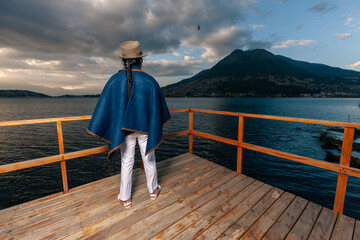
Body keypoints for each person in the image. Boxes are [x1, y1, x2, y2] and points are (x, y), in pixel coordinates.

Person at [87, 41, 171, 209]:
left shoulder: (114, 80)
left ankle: (125, 199)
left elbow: (105, 107)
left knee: (126, 161)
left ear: (124, 61)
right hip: (146, 128)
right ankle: (153, 190)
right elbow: (157, 108)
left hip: (124, 130)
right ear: (140, 60)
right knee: (149, 157)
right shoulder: (150, 80)